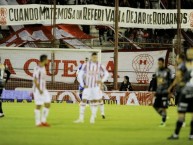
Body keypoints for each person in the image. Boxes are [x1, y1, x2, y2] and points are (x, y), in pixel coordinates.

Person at [74, 52, 109, 124]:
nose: (95, 58)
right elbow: (80, 75)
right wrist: (82, 84)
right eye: (94, 57)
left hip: (96, 87)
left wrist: (101, 81)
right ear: (91, 57)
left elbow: (106, 74)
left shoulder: (99, 65)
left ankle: (92, 117)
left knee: (94, 101)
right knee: (83, 101)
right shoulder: (86, 65)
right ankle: (81, 119)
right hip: (87, 87)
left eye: (96, 57)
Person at [168, 48, 193, 140]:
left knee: (181, 113)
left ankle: (176, 134)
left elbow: (178, 77)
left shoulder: (183, 66)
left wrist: (170, 87)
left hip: (185, 91)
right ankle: (191, 135)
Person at [33, 55, 51, 127]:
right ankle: (38, 122)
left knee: (48, 103)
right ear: (44, 60)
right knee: (39, 105)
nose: (48, 61)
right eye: (47, 60)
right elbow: (35, 80)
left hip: (44, 89)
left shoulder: (43, 67)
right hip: (38, 90)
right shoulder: (37, 68)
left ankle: (43, 121)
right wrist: (39, 89)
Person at [153, 58, 172, 127]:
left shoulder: (168, 71)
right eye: (158, 63)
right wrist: (154, 90)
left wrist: (170, 91)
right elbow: (156, 81)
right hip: (158, 91)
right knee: (155, 106)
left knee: (163, 107)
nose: (159, 65)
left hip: (165, 91)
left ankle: (163, 122)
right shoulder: (157, 70)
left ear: (163, 63)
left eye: (160, 63)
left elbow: (171, 82)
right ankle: (164, 116)